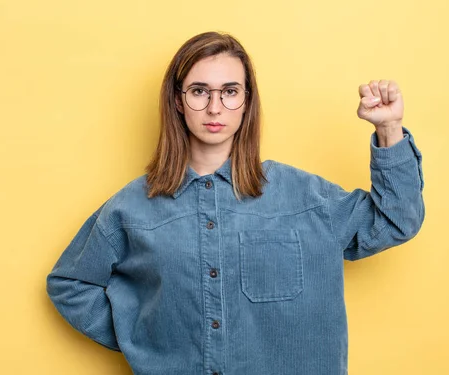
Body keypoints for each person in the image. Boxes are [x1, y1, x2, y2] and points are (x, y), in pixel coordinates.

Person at [46, 31, 425, 375]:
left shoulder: (306, 197)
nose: (215, 108)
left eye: (229, 91)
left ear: (246, 102)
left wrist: (389, 128)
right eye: (199, 91)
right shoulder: (131, 209)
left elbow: (395, 221)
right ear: (178, 102)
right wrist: (141, 335)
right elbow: (69, 284)